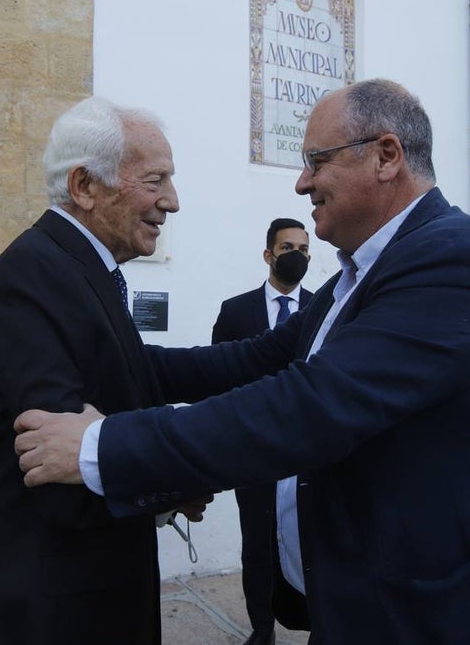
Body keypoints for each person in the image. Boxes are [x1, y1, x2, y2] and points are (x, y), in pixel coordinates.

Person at [15, 79, 470, 643]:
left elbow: (313, 405)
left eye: (316, 161)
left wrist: (101, 447)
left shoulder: (458, 259)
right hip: (362, 602)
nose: (302, 182)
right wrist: (110, 361)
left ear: (386, 156)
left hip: (446, 614)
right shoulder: (357, 276)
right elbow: (253, 361)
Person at [0, 96, 188, 645]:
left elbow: (139, 372)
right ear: (84, 186)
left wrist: (278, 352)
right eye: (156, 180)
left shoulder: (77, 268)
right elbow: (62, 469)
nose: (171, 201)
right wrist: (180, 475)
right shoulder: (29, 279)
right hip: (48, 606)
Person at [211, 217, 314, 645]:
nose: (298, 256)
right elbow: (218, 376)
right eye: (288, 248)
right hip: (252, 448)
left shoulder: (321, 308)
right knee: (257, 542)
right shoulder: (236, 311)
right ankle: (262, 628)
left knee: (308, 539)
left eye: (305, 249)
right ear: (269, 255)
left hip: (307, 449)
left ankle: (313, 619)